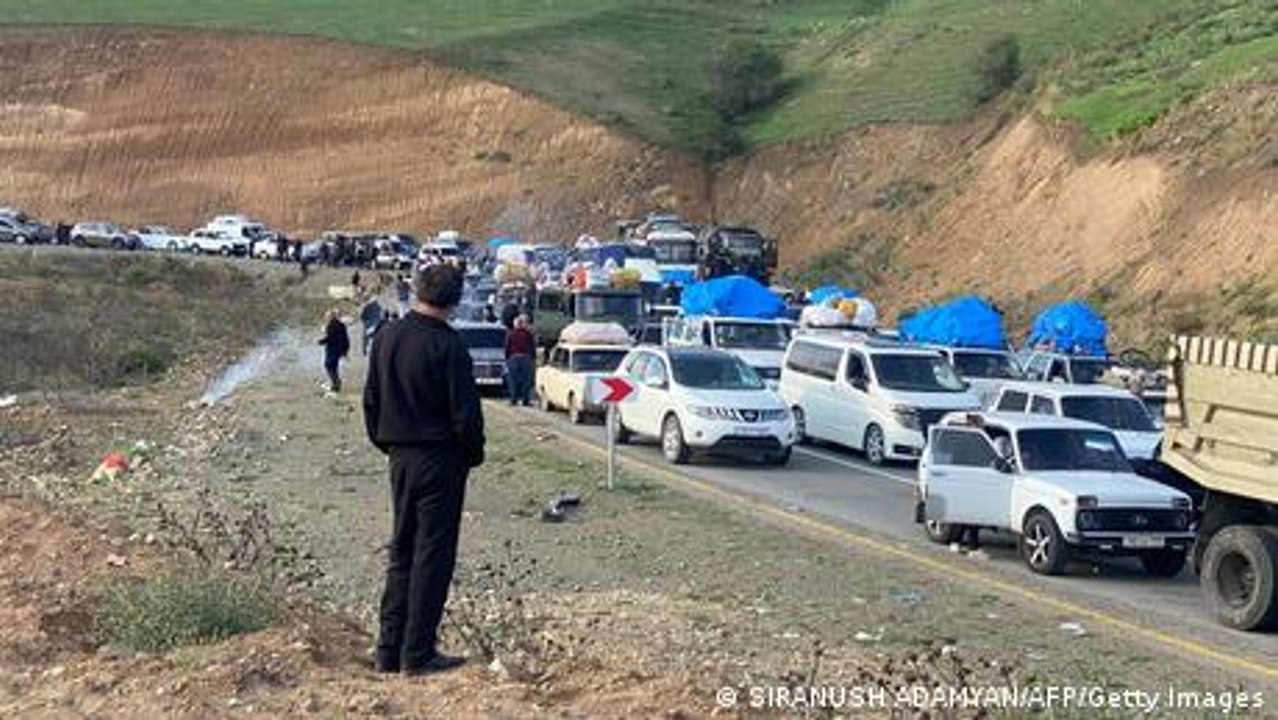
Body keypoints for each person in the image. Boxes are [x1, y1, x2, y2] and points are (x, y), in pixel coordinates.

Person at [363, 263, 484, 676]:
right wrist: (469, 456)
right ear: (454, 299)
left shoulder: (386, 336)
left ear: (417, 291)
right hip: (440, 459)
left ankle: (387, 650)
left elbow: (371, 402)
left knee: (401, 551)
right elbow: (466, 417)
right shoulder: (449, 347)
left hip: (399, 455)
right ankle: (418, 653)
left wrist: (389, 445)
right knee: (432, 555)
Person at [504, 315, 536, 407]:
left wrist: (507, 359)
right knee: (526, 381)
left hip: (513, 358)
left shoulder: (510, 334)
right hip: (526, 358)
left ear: (515, 325)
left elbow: (507, 347)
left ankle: (513, 400)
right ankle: (525, 400)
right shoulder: (528, 334)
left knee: (513, 380)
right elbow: (532, 346)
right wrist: (533, 359)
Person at [318, 310, 350, 393]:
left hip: (332, 350)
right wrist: (345, 351)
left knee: (328, 365)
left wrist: (321, 342)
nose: (326, 318)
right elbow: (346, 339)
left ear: (331, 317)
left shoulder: (331, 326)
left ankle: (336, 384)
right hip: (338, 350)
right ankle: (335, 384)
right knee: (333, 367)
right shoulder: (341, 325)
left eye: (327, 317)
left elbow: (331, 338)